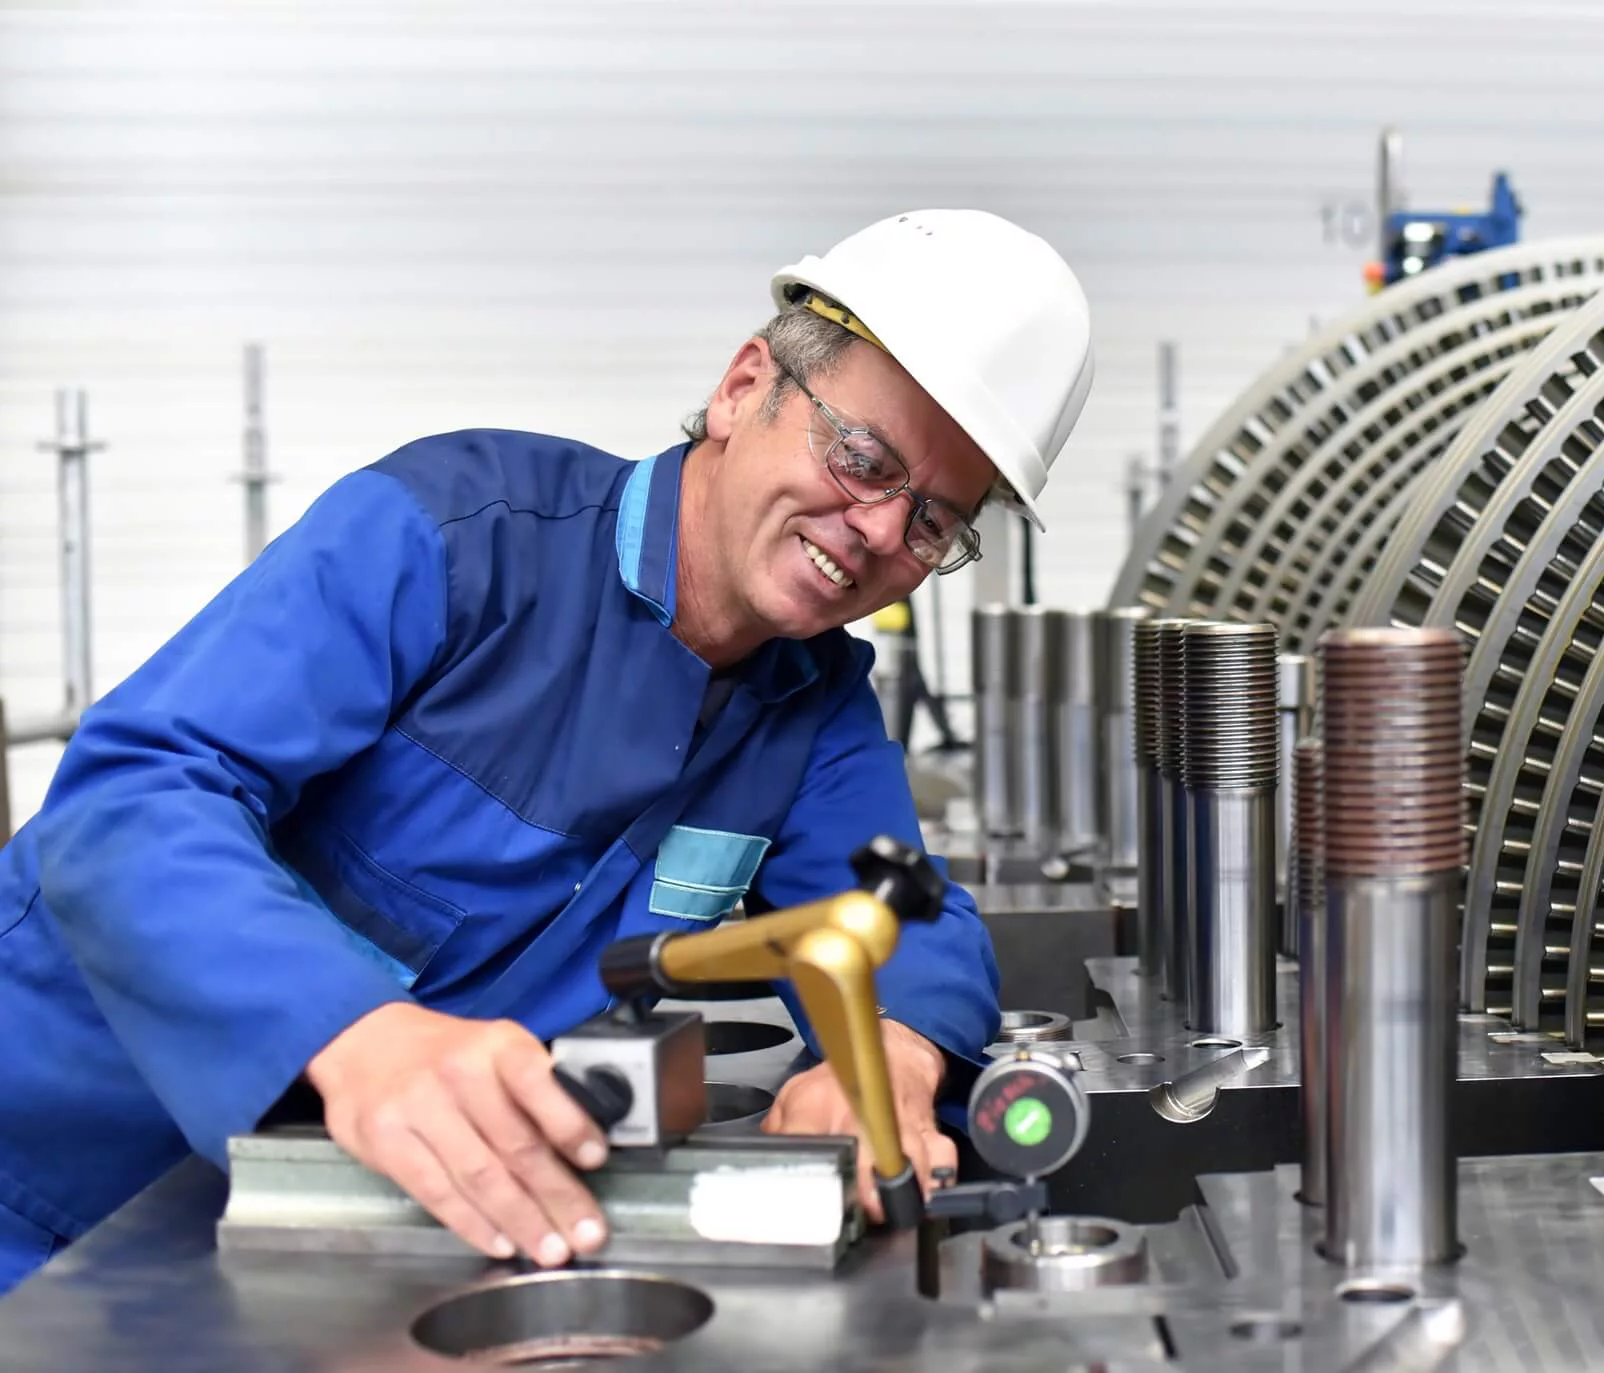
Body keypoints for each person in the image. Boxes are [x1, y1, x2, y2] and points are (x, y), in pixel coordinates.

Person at [0, 208, 1096, 1296]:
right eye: (861, 455)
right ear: (742, 385)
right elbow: (134, 798)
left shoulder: (810, 704)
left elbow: (901, 913)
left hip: (316, 1249)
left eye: (930, 524)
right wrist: (355, 1032)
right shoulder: (450, 538)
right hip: (45, 1187)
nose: (873, 531)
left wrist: (889, 1059)